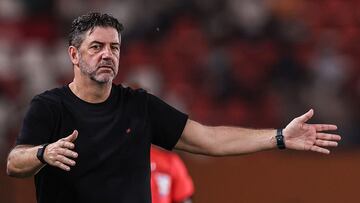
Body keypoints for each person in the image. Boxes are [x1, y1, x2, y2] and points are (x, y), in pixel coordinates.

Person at [6, 12, 341, 203]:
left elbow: (209, 140)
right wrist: (42, 154)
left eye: (114, 47)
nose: (107, 54)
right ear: (74, 55)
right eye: (96, 47)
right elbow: (14, 163)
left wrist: (281, 137)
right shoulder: (49, 107)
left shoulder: (139, 106)